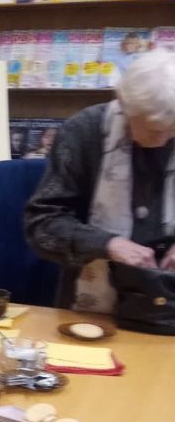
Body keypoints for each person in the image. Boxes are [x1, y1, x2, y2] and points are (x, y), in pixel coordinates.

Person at [24, 49, 175, 310]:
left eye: (173, 129)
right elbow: (42, 224)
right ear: (124, 104)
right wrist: (107, 244)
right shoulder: (83, 132)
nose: (164, 139)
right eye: (153, 130)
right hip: (95, 298)